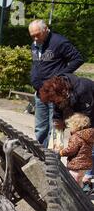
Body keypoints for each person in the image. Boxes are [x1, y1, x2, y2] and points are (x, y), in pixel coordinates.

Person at [28, 19, 84, 148]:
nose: (35, 38)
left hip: (55, 93)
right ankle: (41, 157)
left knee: (55, 128)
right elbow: (37, 65)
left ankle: (53, 160)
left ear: (46, 29)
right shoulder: (35, 44)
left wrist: (60, 76)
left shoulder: (59, 42)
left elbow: (78, 59)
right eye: (32, 36)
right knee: (40, 128)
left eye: (38, 34)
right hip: (40, 92)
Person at [40, 74, 94, 193]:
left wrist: (76, 134)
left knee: (87, 146)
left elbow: (87, 118)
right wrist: (56, 145)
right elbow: (57, 116)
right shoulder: (57, 93)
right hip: (80, 114)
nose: (54, 102)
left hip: (90, 114)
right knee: (62, 139)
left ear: (63, 92)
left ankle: (86, 179)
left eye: (55, 100)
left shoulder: (82, 89)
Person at [58, 113, 94, 188]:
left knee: (72, 180)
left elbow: (71, 150)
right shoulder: (89, 136)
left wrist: (61, 152)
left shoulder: (76, 137)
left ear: (75, 126)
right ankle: (81, 192)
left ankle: (74, 194)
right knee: (79, 179)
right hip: (85, 165)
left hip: (76, 164)